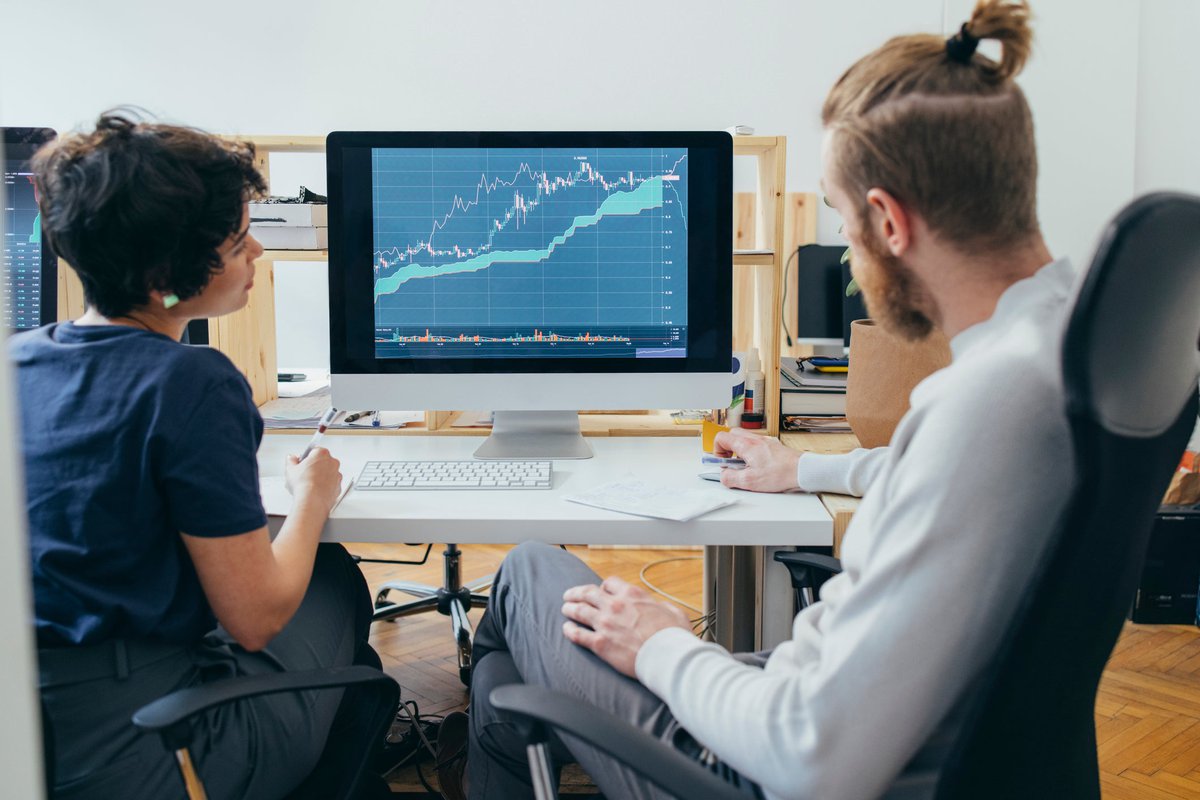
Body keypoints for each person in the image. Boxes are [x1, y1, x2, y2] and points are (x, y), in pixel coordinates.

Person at [464, 2, 1076, 799]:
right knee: (504, 687)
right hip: (925, 734)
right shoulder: (1064, 347)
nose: (851, 260)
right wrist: (816, 468)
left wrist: (664, 646)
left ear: (888, 221)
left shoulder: (977, 407)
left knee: (525, 575)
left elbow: (806, 751)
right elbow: (943, 475)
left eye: (846, 226)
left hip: (768, 761)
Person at [12, 112, 391, 799]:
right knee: (331, 577)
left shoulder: (19, 361)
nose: (258, 257)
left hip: (32, 744)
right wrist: (312, 497)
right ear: (175, 268)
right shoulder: (192, 381)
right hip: (156, 753)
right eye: (241, 240)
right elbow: (256, 618)